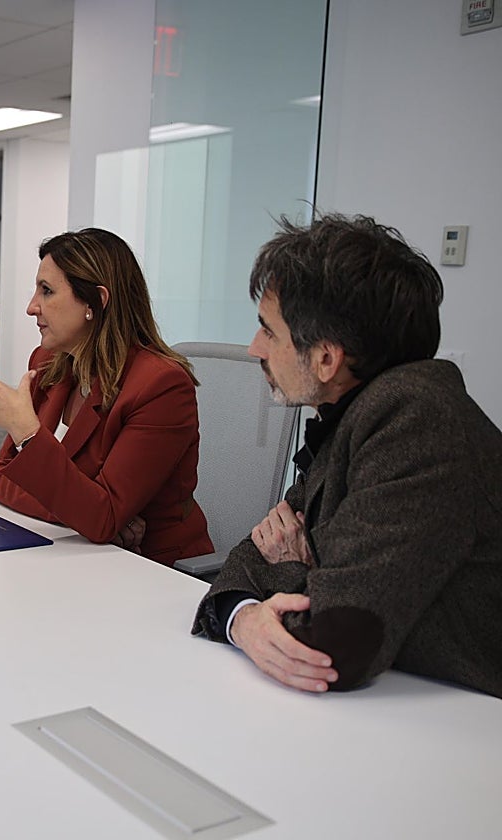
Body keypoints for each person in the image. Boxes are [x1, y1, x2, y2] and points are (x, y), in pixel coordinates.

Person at [192, 213, 502, 697]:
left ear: (326, 358)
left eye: (269, 332)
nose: (255, 349)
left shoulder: (416, 422)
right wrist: (245, 618)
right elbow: (251, 555)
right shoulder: (351, 416)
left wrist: (297, 570)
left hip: (467, 724)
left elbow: (332, 648)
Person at [0, 228, 213, 564]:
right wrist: (84, 515)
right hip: (74, 554)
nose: (32, 307)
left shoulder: (161, 387)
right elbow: (2, 479)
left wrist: (30, 437)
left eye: (47, 291)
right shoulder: (46, 364)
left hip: (148, 568)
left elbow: (101, 516)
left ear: (96, 301)